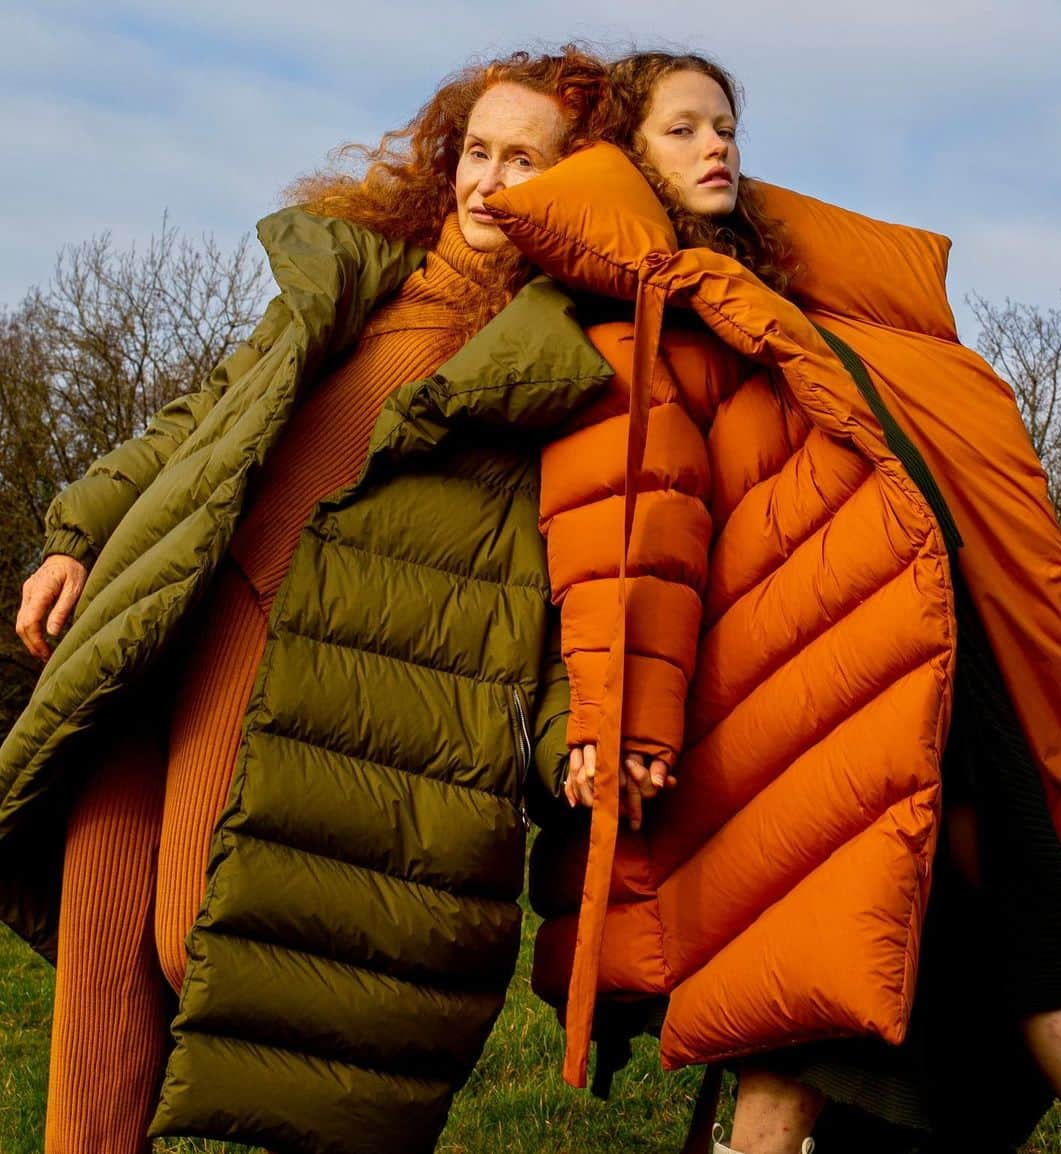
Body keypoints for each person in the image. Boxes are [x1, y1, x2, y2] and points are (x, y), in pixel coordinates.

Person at [1, 46, 613, 1154]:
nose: (487, 182)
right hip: (165, 609)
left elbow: (587, 571)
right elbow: (203, 422)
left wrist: (580, 723)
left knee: (200, 934)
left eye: (523, 160)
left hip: (295, 644)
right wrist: (79, 534)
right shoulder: (356, 283)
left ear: (579, 184)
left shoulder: (562, 361)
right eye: (476, 151)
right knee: (100, 962)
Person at [483, 50, 1061, 1154]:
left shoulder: (777, 305)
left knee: (988, 947)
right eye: (683, 130)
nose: (717, 147)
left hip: (935, 651)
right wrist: (625, 719)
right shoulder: (641, 323)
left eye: (726, 129)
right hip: (811, 686)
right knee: (869, 992)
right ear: (625, 158)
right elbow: (632, 524)